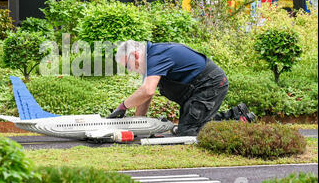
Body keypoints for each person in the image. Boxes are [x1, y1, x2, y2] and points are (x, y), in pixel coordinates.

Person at [108, 40, 256, 136]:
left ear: (135, 55)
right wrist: (137, 127)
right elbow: (145, 97)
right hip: (198, 88)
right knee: (190, 125)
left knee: (188, 132)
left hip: (209, 84)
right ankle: (235, 115)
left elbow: (147, 90)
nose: (129, 70)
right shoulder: (151, 59)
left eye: (127, 65)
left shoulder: (156, 56)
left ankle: (239, 123)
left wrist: (123, 107)